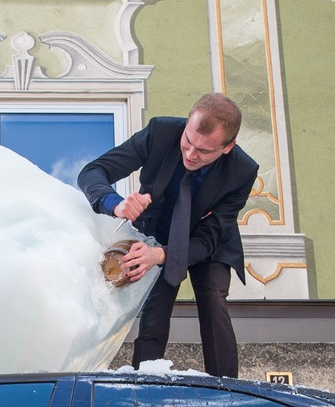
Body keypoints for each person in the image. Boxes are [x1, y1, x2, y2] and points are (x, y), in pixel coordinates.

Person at [78, 93, 258, 378]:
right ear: (187, 124)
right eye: (188, 142)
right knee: (155, 307)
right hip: (159, 232)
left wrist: (162, 255)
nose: (190, 154)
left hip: (208, 240)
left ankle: (227, 386)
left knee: (212, 297)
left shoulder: (242, 171)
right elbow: (93, 172)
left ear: (228, 147)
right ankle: (144, 381)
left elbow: (210, 239)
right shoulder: (160, 133)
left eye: (203, 151)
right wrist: (117, 204)